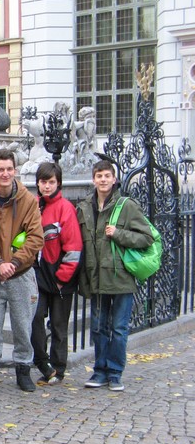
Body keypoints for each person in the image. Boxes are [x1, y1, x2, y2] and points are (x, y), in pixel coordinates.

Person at [77, 160, 153, 392]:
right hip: (97, 278)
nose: (103, 180)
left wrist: (119, 234)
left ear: (114, 179)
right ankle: (100, 371)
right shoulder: (84, 207)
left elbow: (146, 238)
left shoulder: (127, 206)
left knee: (119, 329)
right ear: (93, 179)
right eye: (99, 176)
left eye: (107, 176)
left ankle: (115, 372)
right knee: (98, 328)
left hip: (120, 279)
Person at [0, 149, 44, 392]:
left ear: (15, 171)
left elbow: (35, 237)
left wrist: (14, 262)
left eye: (9, 169)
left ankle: (23, 369)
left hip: (21, 273)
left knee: (22, 325)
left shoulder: (28, 200)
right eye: (0, 170)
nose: (5, 174)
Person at [30, 162, 82, 385]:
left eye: (51, 182)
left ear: (58, 183)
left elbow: (74, 247)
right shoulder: (34, 206)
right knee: (35, 319)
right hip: (39, 275)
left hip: (61, 276)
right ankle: (43, 362)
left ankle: (58, 368)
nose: (47, 186)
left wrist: (62, 278)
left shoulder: (65, 208)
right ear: (38, 183)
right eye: (43, 182)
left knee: (59, 326)